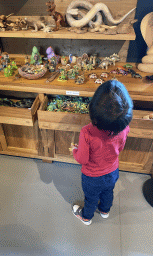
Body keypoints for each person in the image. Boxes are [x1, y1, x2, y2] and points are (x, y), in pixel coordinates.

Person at [71, 80, 133, 225]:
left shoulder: (87, 132)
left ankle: (86, 217)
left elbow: (82, 159)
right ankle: (105, 211)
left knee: (91, 198)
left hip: (92, 177)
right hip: (112, 171)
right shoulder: (124, 128)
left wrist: (75, 150)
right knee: (108, 192)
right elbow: (120, 147)